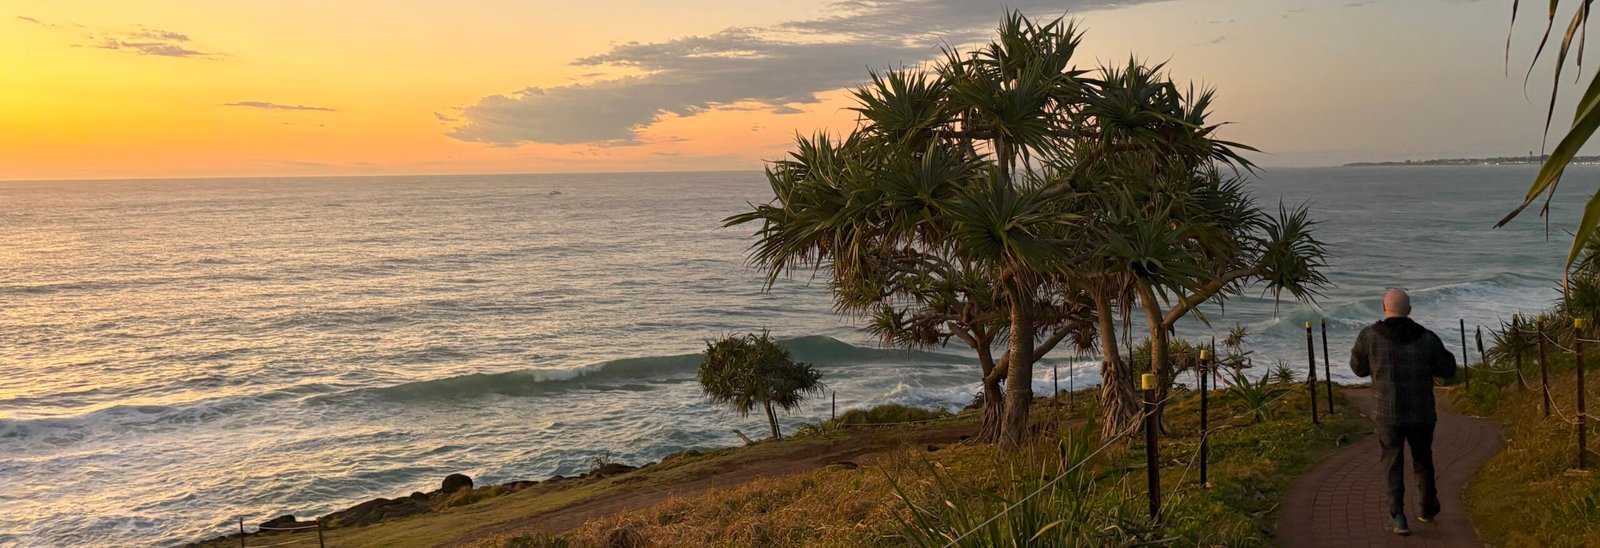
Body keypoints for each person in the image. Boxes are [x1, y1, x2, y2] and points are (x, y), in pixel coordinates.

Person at [1349, 288, 1457, 536]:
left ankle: (1397, 516)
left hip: (1387, 412)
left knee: (1392, 461)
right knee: (1423, 458)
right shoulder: (1426, 337)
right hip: (1421, 411)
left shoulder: (1369, 336)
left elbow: (1358, 369)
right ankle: (1427, 507)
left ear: (1383, 307)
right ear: (1409, 310)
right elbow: (1447, 368)